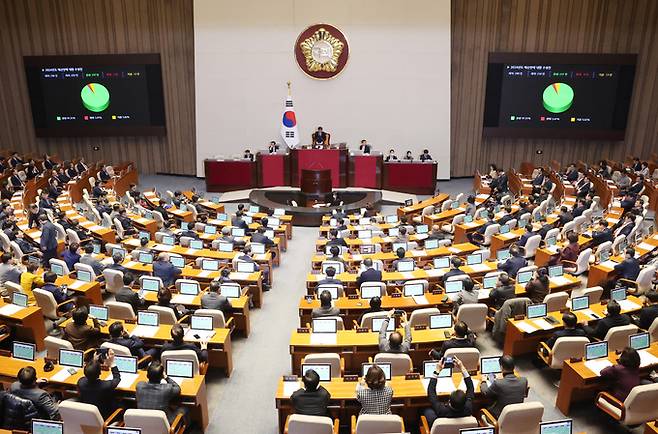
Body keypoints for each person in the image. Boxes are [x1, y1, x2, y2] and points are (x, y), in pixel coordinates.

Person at [423, 357, 474, 427]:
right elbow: (471, 388)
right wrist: (462, 368)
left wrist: (437, 371)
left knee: (427, 410)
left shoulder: (441, 410)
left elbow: (431, 392)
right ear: (465, 401)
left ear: (449, 401)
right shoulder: (468, 408)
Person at [77, 352, 121, 418]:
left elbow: (90, 371)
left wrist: (94, 361)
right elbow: (117, 378)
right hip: (105, 415)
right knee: (124, 404)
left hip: (88, 414)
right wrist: (112, 364)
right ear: (100, 372)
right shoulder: (106, 385)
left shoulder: (80, 382)